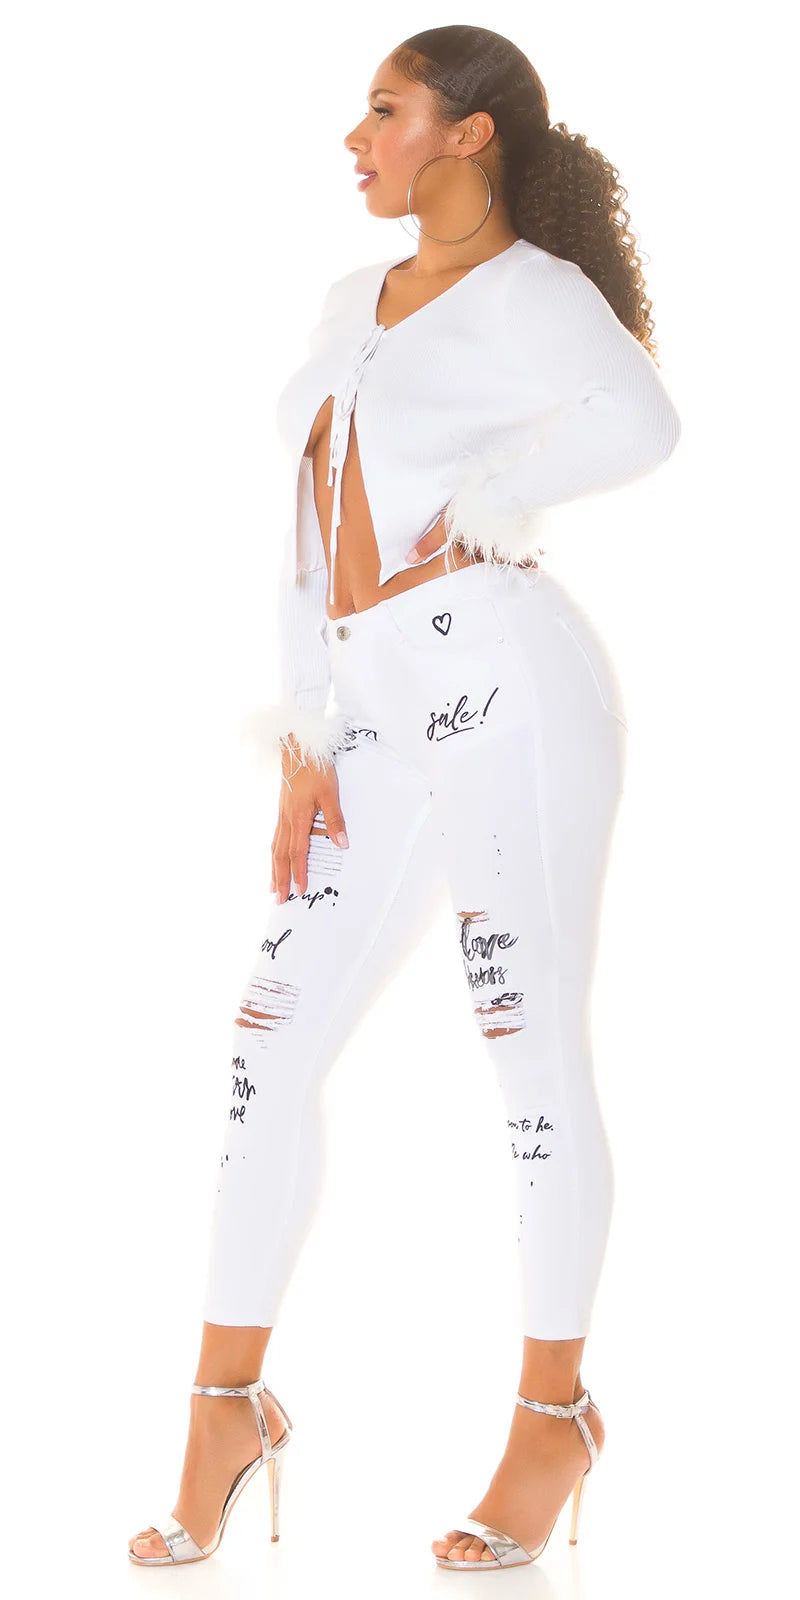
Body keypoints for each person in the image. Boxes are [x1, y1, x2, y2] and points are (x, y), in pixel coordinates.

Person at [129, 24, 681, 1571]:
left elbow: (644, 424)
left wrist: (491, 502)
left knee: (526, 1045)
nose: (357, 136)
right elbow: (304, 524)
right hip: (364, 711)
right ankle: (224, 1408)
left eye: (387, 109)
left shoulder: (536, 294)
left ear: (471, 133)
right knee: (267, 1043)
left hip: (506, 690)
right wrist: (304, 734)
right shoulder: (350, 299)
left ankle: (552, 1420)